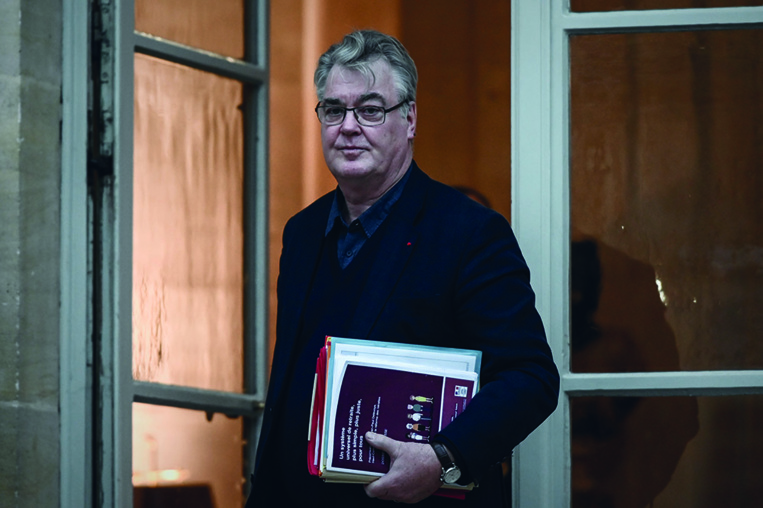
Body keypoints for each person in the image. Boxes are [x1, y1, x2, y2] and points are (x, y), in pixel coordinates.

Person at [245, 30, 559, 506]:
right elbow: (289, 389)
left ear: (409, 119)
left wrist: (443, 458)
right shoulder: (302, 232)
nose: (349, 127)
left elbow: (530, 377)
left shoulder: (468, 233)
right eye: (334, 110)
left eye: (370, 110)